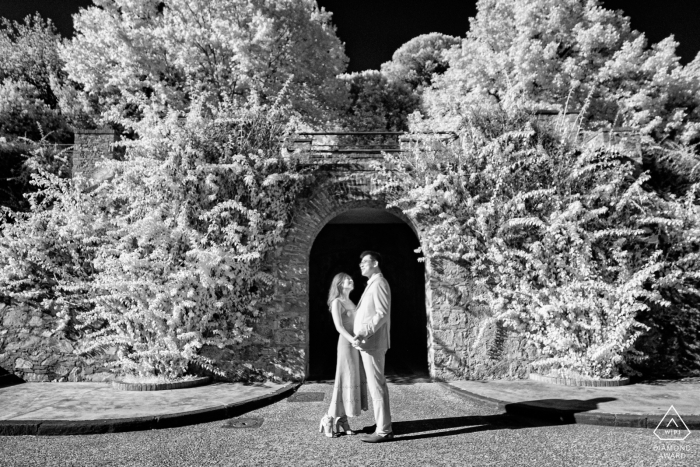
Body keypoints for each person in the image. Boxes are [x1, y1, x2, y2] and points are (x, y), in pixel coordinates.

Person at [319, 272, 368, 437]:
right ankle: (328, 418)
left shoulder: (350, 301)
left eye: (351, 278)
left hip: (354, 344)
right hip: (346, 344)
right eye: (347, 279)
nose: (350, 280)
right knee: (344, 379)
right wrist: (352, 340)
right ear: (339, 284)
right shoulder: (337, 302)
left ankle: (342, 418)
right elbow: (339, 327)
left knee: (353, 378)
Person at [353, 250, 393, 443]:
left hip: (372, 342)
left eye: (365, 261)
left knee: (377, 386)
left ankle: (384, 431)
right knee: (376, 385)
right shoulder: (373, 284)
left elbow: (381, 313)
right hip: (368, 343)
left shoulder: (379, 283)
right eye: (360, 262)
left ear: (375, 263)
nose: (361, 264)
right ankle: (381, 424)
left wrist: (364, 332)